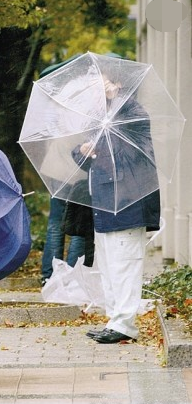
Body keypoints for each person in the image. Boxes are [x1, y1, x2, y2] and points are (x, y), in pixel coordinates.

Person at [74, 74, 160, 344]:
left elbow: (130, 154)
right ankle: (115, 320)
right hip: (103, 205)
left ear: (118, 84)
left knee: (125, 266)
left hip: (128, 202)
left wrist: (114, 100)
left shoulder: (132, 112)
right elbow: (85, 159)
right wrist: (83, 151)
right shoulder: (97, 118)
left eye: (103, 83)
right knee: (110, 268)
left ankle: (125, 325)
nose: (98, 89)